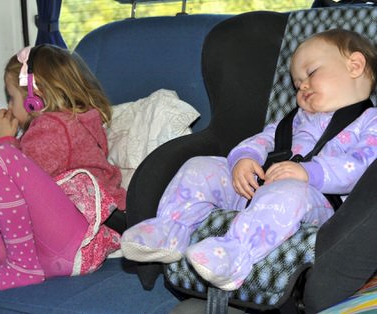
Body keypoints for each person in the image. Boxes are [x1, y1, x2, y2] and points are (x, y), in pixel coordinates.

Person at [121, 28, 377, 293]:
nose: (302, 86)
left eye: (310, 73)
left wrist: (308, 173)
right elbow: (262, 140)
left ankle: (235, 253)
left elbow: (362, 167)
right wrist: (244, 159)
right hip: (258, 187)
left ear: (355, 66)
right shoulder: (294, 120)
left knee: (290, 192)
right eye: (297, 83)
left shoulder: (370, 122)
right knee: (199, 166)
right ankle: (171, 229)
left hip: (319, 202)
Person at [0, 44, 126, 314]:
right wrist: (3, 151)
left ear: (36, 98)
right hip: (38, 245)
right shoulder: (54, 129)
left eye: (11, 98)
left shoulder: (58, 127)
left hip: (73, 241)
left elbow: (12, 169)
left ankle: (21, 267)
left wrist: (4, 142)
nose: (9, 106)